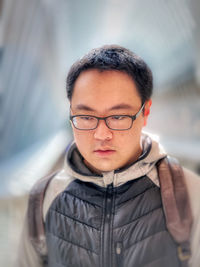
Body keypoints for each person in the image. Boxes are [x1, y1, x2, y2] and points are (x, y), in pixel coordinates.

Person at [17, 45, 200, 267]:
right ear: (71, 113)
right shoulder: (44, 197)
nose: (102, 134)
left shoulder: (188, 193)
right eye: (86, 116)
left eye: (118, 116)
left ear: (145, 113)